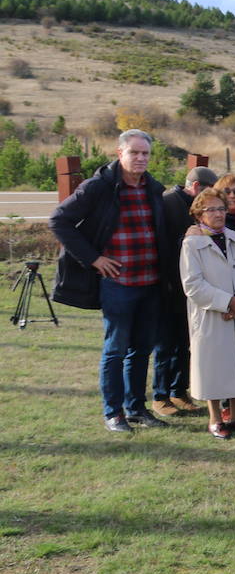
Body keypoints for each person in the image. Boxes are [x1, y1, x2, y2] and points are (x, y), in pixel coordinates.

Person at [50, 129, 174, 432]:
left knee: (141, 350)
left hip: (150, 282)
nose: (141, 158)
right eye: (134, 152)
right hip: (118, 283)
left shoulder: (153, 189)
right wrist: (93, 258)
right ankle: (113, 413)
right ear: (120, 153)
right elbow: (59, 220)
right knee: (115, 350)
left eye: (145, 153)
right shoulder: (99, 187)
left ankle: (136, 409)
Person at [180, 187, 235, 440]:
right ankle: (215, 419)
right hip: (212, 315)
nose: (218, 214)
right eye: (211, 209)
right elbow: (193, 285)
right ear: (199, 214)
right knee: (213, 369)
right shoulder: (192, 244)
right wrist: (227, 303)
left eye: (222, 209)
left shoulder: (234, 237)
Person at [150, 165, 218, 417]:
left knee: (185, 342)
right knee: (165, 344)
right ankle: (160, 395)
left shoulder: (195, 206)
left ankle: (179, 391)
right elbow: (161, 244)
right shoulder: (168, 202)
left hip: (191, 287)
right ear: (197, 187)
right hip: (167, 285)